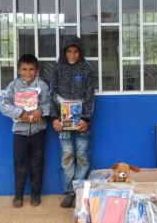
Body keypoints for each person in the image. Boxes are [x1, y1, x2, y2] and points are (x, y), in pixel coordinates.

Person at [0, 53, 53, 208]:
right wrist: (18, 113)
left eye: (31, 69)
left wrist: (40, 111)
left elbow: (49, 103)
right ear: (18, 70)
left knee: (37, 164)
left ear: (37, 70)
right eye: (24, 69)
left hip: (38, 131)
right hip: (20, 132)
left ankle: (35, 195)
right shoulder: (14, 86)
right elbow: (2, 103)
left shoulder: (42, 85)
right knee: (20, 164)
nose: (28, 73)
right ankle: (18, 196)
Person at [49, 36, 97, 208]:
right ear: (64, 52)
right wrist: (54, 117)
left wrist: (85, 118)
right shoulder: (57, 69)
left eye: (76, 51)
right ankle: (69, 191)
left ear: (80, 52)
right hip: (63, 124)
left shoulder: (86, 69)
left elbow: (90, 96)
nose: (72, 55)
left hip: (82, 123)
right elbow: (51, 93)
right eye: (69, 51)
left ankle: (79, 190)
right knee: (67, 156)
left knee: (82, 156)